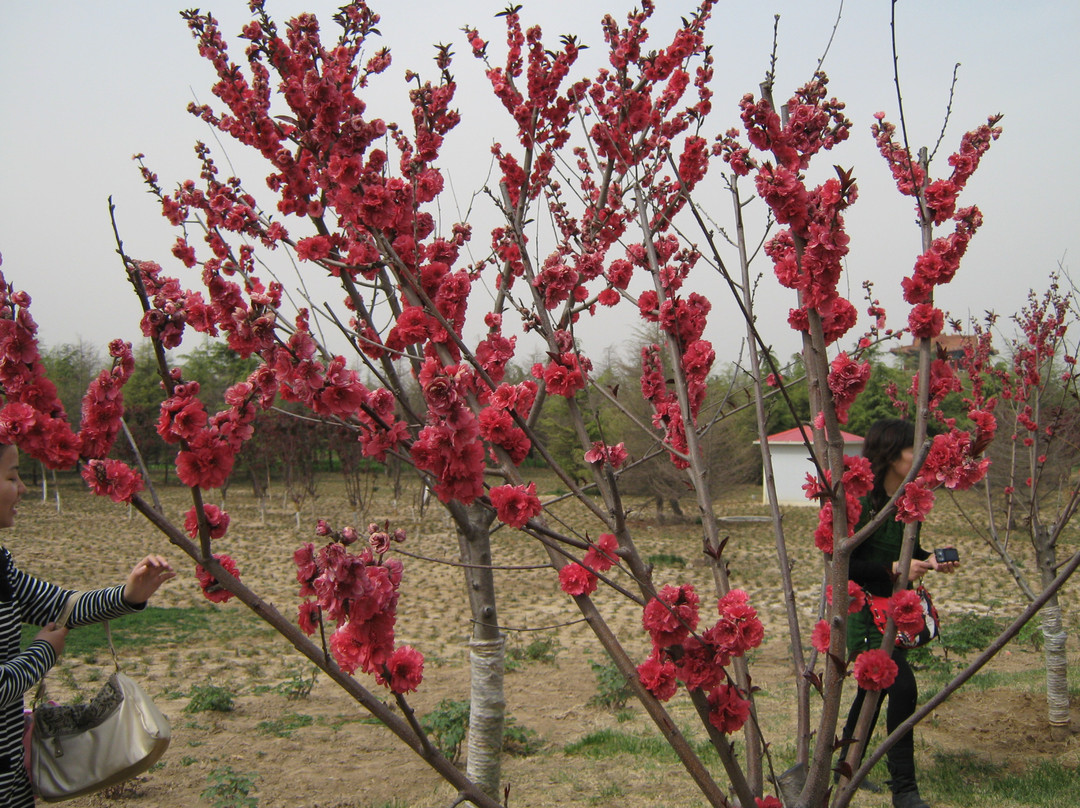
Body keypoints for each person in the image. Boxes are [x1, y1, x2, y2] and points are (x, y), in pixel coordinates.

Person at [0, 443, 175, 806]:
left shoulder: (2, 567)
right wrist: (42, 654)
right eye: (12, 476)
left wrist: (128, 595)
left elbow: (61, 606)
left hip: (13, 769)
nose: (23, 487)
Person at [840, 418, 958, 808]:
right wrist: (892, 569)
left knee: (871, 689)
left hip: (891, 608)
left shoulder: (911, 498)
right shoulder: (860, 498)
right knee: (902, 688)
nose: (919, 457)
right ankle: (904, 789)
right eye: (913, 450)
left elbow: (910, 549)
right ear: (891, 454)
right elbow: (845, 562)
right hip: (861, 608)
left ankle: (844, 765)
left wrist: (930, 561)